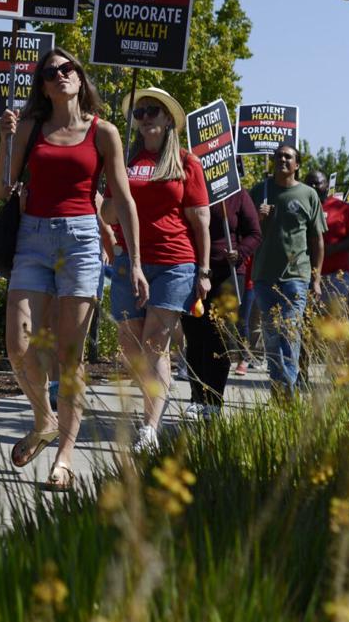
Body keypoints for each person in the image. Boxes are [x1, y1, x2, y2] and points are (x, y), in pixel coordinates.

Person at [0, 47, 142, 491]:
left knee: (68, 357)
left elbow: (124, 200)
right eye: (51, 71)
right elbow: (1, 188)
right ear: (43, 85)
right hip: (33, 238)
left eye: (68, 68)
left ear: (80, 77)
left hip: (80, 240)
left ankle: (64, 457)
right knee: (18, 345)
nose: (61, 75)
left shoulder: (103, 132)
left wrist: (135, 261)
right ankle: (44, 420)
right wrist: (6, 139)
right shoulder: (32, 128)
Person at [102, 86, 206, 453]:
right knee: (130, 346)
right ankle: (156, 395)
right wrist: (112, 192)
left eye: (153, 112)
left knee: (154, 344)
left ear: (167, 119)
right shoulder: (123, 161)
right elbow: (108, 215)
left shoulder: (186, 163)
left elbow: (200, 220)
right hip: (129, 262)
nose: (145, 118)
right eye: (140, 113)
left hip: (175, 262)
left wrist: (204, 270)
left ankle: (150, 425)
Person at [250, 144, 324, 398]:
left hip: (296, 276)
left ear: (297, 165)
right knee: (271, 335)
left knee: (289, 334)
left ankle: (287, 391)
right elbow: (245, 232)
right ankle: (278, 387)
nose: (282, 159)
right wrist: (258, 219)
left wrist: (316, 278)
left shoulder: (308, 195)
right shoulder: (260, 191)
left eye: (288, 157)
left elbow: (317, 240)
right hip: (263, 276)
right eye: (278, 156)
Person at [195, 179, 261, 416]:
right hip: (194, 271)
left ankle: (214, 401)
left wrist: (240, 252)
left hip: (228, 275)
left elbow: (255, 233)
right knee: (196, 336)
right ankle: (197, 397)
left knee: (219, 337)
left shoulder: (238, 195)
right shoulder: (194, 189)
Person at [304, 171, 349, 324]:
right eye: (309, 183)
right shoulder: (299, 206)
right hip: (303, 274)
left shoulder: (342, 209)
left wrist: (333, 249)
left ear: (327, 185)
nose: (313, 187)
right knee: (308, 321)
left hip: (335, 276)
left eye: (318, 183)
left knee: (332, 321)